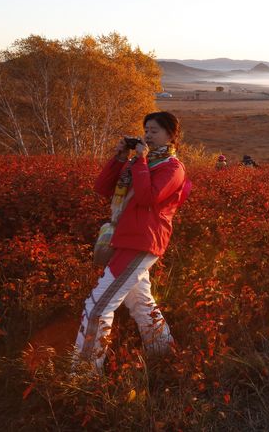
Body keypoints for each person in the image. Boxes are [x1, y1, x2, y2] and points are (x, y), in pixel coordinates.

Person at [75, 112, 190, 372]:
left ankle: (84, 374)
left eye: (155, 131)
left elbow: (148, 198)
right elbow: (103, 188)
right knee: (141, 303)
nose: (148, 135)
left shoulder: (172, 167)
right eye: (146, 130)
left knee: (98, 306)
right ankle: (166, 356)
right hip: (126, 238)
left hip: (143, 241)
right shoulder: (140, 164)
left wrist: (140, 160)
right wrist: (119, 158)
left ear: (171, 135)